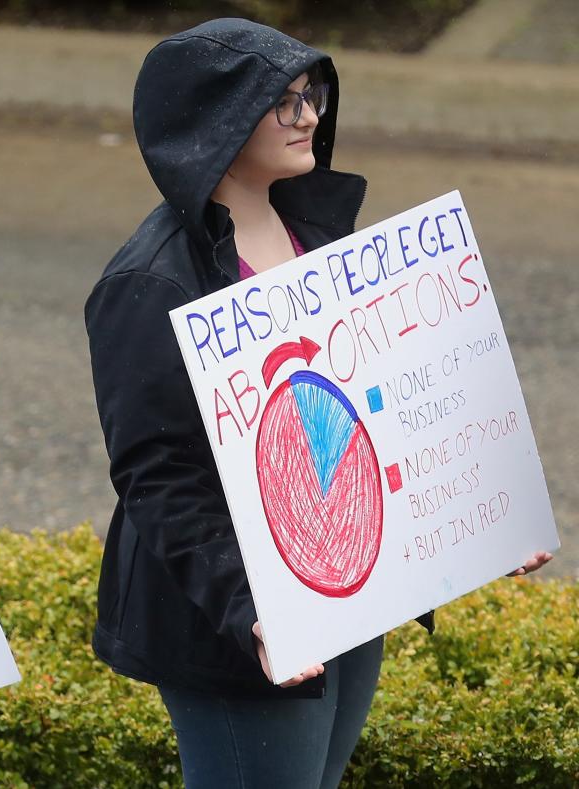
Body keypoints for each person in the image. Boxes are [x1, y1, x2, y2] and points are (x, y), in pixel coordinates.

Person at [84, 19, 552, 789]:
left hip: (342, 590)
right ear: (217, 121)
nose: (309, 116)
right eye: (283, 100)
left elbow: (381, 407)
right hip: (242, 618)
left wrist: (484, 524)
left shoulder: (314, 228)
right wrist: (250, 610)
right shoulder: (150, 283)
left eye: (313, 95)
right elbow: (156, 475)